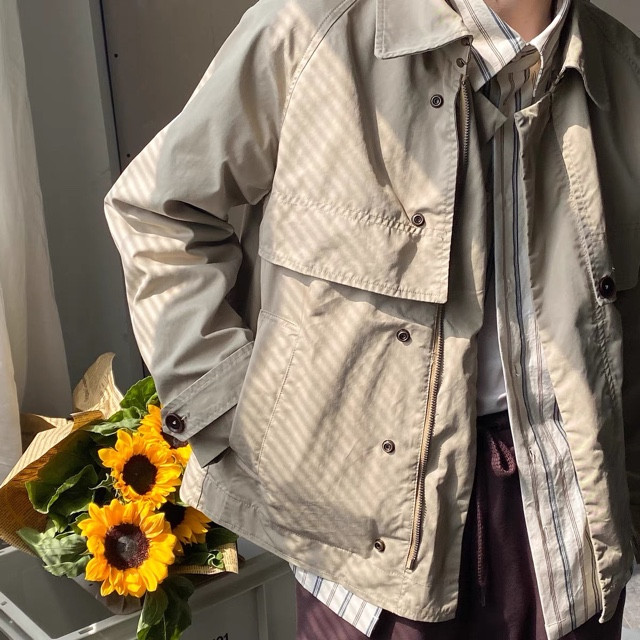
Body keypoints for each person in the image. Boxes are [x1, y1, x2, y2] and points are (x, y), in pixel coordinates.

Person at [104, 0, 640, 638]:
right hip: (362, 555)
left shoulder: (621, 68)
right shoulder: (309, 29)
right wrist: (236, 414)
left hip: (568, 534)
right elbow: (159, 212)